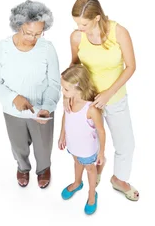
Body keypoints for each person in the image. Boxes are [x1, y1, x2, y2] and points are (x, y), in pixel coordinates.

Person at [67, 0, 139, 201]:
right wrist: (70, 95)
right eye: (76, 23)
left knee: (126, 144)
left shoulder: (119, 32)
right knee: (93, 141)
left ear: (97, 17)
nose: (79, 28)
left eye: (84, 23)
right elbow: (74, 66)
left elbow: (131, 67)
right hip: (88, 101)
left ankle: (119, 179)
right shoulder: (76, 37)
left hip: (115, 98)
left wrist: (108, 94)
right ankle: (97, 168)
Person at [0, 0, 60, 189]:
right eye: (29, 33)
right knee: (18, 145)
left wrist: (47, 107)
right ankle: (22, 167)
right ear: (18, 25)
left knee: (43, 146)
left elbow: (54, 83)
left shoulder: (47, 49)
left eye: (38, 33)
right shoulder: (2, 48)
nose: (33, 38)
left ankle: (44, 168)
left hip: (41, 110)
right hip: (12, 111)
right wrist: (14, 98)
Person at [59, 64, 106, 216]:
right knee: (76, 162)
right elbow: (65, 116)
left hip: (87, 149)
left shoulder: (90, 109)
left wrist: (101, 153)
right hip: (73, 145)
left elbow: (101, 130)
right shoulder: (69, 100)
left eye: (66, 89)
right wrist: (62, 135)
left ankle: (92, 194)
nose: (63, 92)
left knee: (90, 169)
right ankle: (77, 183)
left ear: (78, 87)